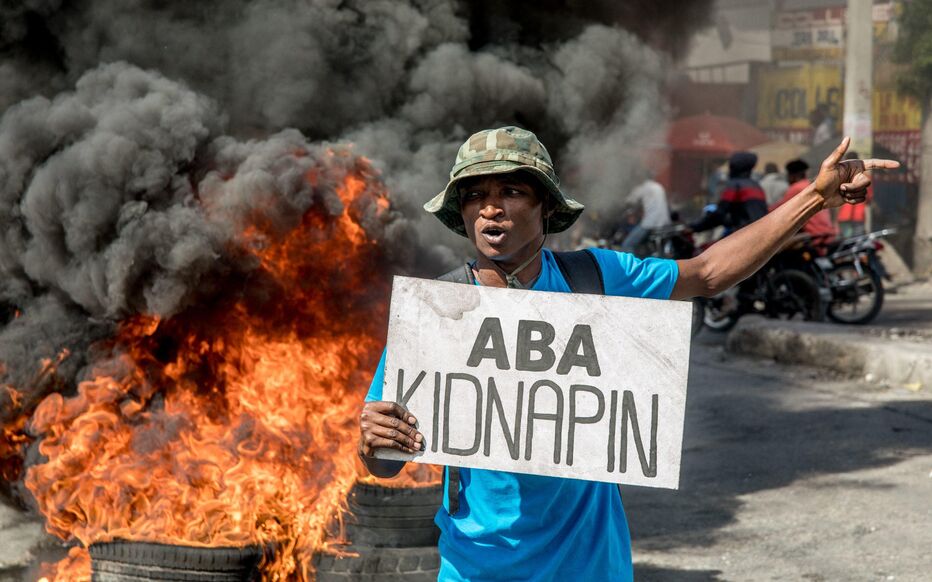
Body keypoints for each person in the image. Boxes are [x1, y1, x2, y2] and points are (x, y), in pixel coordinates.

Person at [357, 126, 896, 581]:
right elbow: (382, 461)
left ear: (545, 204)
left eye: (512, 191)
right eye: (474, 195)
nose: (491, 208)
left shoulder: (597, 277)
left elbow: (707, 273)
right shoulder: (435, 311)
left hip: (589, 567)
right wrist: (373, 441)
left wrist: (815, 197)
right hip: (474, 571)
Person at [690, 151, 768, 237]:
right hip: (760, 233)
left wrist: (695, 227)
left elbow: (720, 212)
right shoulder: (756, 185)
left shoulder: (734, 185)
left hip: (743, 235)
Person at [772, 159, 837, 248]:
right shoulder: (811, 185)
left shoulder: (796, 188)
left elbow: (779, 210)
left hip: (814, 236)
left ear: (792, 176)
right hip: (828, 233)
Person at [619, 171, 671, 253]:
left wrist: (621, 206)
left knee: (627, 245)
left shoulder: (642, 188)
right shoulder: (659, 186)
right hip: (665, 222)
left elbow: (630, 201)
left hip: (650, 223)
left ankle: (632, 265)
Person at [836, 151, 873, 237]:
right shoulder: (866, 177)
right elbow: (869, 198)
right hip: (858, 216)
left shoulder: (840, 177)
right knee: (856, 244)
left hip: (844, 215)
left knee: (845, 244)